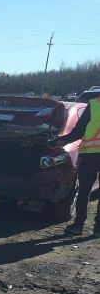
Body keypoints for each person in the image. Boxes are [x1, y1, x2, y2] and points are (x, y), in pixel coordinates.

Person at [54, 94, 100, 237]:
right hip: (90, 155)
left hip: (91, 155)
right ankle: (98, 229)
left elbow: (78, 132)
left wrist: (58, 140)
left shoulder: (94, 105)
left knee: (84, 190)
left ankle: (78, 225)